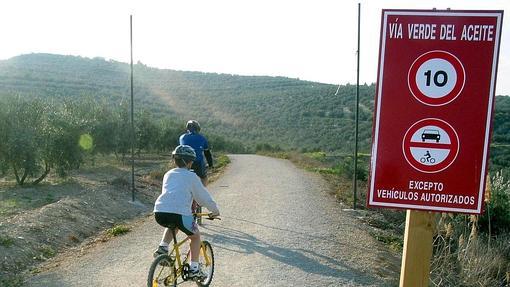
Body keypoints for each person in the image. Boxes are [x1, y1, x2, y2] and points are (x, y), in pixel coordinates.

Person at [153, 145, 220, 278]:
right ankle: (194, 269)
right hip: (180, 213)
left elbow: (173, 195)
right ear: (189, 162)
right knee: (195, 236)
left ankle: (163, 247)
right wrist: (215, 210)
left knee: (173, 225)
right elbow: (203, 197)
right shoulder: (191, 176)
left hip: (160, 211)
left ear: (175, 161)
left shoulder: (168, 174)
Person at [179, 120, 213, 186]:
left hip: (184, 162)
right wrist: (210, 164)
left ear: (187, 128)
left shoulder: (182, 137)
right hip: (197, 163)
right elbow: (207, 153)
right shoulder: (202, 138)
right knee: (203, 177)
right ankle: (203, 190)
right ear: (198, 129)